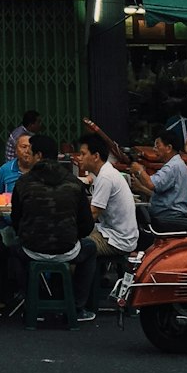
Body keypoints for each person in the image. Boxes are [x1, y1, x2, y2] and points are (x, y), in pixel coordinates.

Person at [7, 132, 97, 321]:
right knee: (90, 247)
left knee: (13, 247)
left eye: (30, 153)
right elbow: (87, 225)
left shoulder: (23, 183)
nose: (27, 157)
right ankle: (78, 307)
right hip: (68, 250)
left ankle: (32, 299)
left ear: (38, 156)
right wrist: (71, 236)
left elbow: (16, 220)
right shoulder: (74, 183)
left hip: (32, 249)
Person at [73, 132, 138, 314]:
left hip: (118, 238)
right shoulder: (104, 173)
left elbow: (93, 213)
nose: (80, 157)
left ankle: (78, 305)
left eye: (83, 153)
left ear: (95, 156)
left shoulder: (106, 177)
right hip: (110, 231)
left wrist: (72, 231)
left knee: (78, 247)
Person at [129, 131, 187, 225]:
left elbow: (151, 184)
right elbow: (166, 197)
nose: (154, 149)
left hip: (170, 218)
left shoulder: (172, 167)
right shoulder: (178, 165)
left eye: (157, 146)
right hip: (172, 215)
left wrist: (140, 170)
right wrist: (141, 188)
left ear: (168, 148)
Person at [0, 130, 33, 196]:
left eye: (31, 147)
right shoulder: (5, 170)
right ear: (16, 150)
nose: (27, 151)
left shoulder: (41, 169)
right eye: (24, 147)